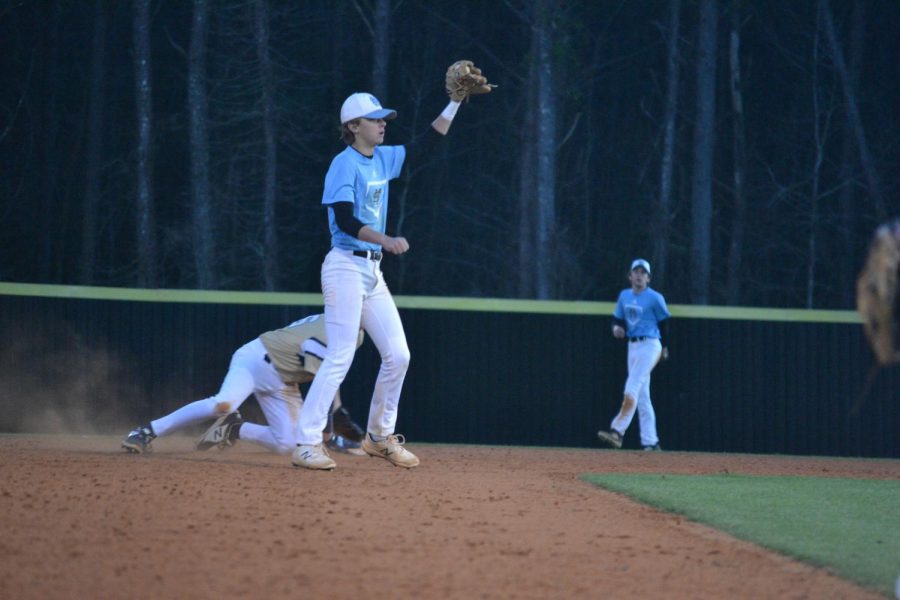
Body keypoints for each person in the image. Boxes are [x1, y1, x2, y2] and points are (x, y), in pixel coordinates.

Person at [291, 85, 475, 470]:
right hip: (344, 265)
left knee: (399, 355)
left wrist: (455, 102)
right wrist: (386, 239)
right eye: (375, 119)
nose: (383, 124)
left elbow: (427, 143)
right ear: (353, 125)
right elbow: (344, 218)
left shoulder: (381, 159)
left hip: (371, 271)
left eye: (383, 119)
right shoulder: (344, 163)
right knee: (340, 354)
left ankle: (379, 437)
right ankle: (307, 443)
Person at [121, 314, 366, 457]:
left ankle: (234, 428)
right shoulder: (345, 329)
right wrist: (329, 430)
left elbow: (329, 375)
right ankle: (146, 431)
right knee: (222, 403)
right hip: (256, 360)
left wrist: (336, 411)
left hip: (284, 382)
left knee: (289, 443)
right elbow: (324, 378)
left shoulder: (339, 322)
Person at [597, 258, 671, 451]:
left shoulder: (655, 297)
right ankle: (651, 442)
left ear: (648, 278)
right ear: (630, 276)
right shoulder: (624, 296)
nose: (639, 276)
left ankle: (617, 432)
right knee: (643, 397)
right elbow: (617, 319)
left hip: (651, 345)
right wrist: (616, 329)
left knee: (632, 386)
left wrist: (664, 348)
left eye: (643, 273)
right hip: (633, 346)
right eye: (636, 272)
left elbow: (664, 324)